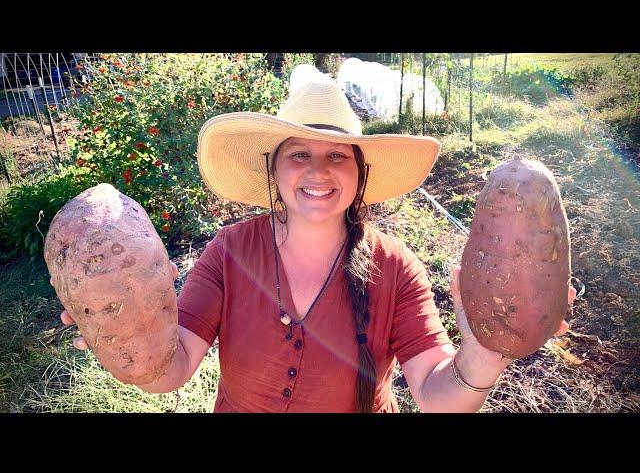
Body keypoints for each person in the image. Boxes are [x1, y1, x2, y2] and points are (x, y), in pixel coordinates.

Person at [61, 79, 576, 413]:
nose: (318, 172)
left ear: (361, 173)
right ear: (274, 169)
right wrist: (126, 339)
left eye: (338, 156)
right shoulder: (230, 252)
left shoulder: (394, 268)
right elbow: (173, 370)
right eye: (299, 154)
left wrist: (483, 353)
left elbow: (435, 394)